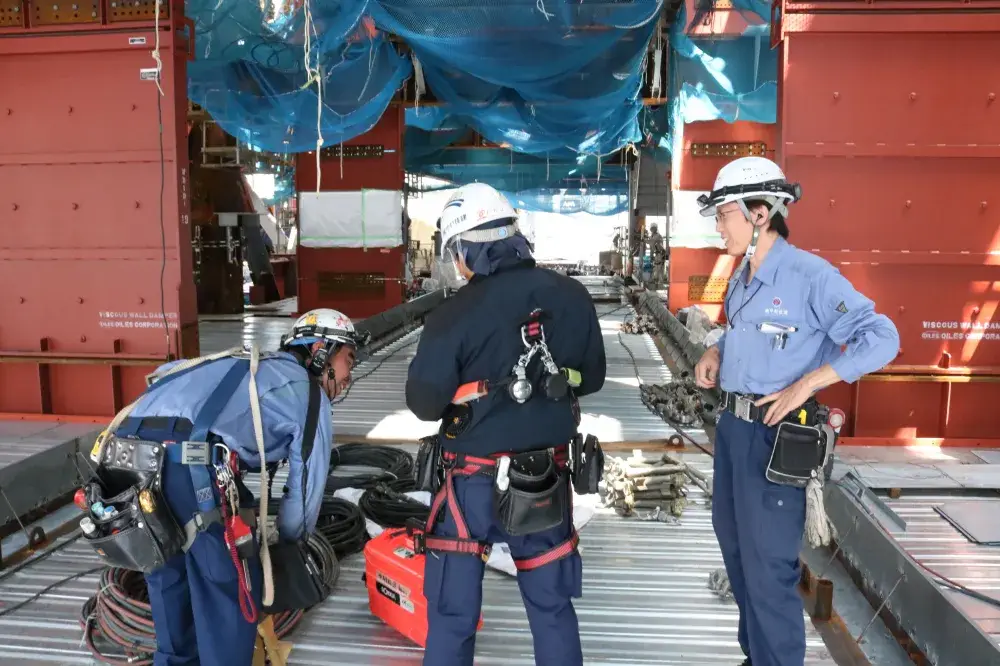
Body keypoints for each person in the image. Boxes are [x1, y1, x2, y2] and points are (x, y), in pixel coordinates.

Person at [693, 156, 899, 666]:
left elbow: (882, 337)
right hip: (734, 433)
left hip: (775, 439)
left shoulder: (810, 277)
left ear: (760, 212)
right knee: (738, 556)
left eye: (724, 214)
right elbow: (741, 330)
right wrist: (716, 349)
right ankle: (756, 656)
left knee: (768, 568)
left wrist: (809, 383)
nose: (718, 226)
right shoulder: (742, 276)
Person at [405, 182, 607, 666]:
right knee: (552, 608)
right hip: (543, 484)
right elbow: (593, 377)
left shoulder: (452, 315)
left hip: (469, 488)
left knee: (453, 616)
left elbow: (424, 403)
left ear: (465, 248)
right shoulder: (572, 297)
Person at [97, 308, 360, 666]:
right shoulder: (306, 392)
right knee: (229, 591)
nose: (348, 376)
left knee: (166, 575)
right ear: (320, 351)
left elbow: (158, 383)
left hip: (127, 464)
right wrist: (287, 544)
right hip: (191, 473)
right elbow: (306, 485)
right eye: (348, 360)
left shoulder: (235, 364)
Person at [647, 222, 666, 290]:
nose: (652, 229)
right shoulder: (652, 236)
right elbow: (651, 246)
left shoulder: (657, 236)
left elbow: (651, 242)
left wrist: (644, 240)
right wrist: (651, 255)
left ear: (656, 229)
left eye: (654, 228)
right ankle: (657, 283)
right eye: (651, 228)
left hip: (660, 254)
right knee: (656, 268)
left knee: (659, 268)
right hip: (656, 254)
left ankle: (660, 284)